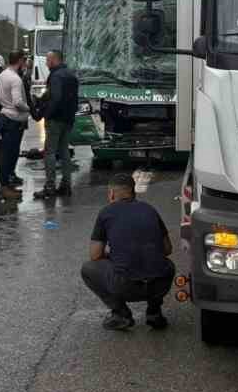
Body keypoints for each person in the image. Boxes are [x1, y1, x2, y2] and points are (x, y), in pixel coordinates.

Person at [80, 173, 175, 330]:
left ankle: (121, 314)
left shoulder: (106, 213)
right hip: (159, 284)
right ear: (134, 192)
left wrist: (114, 256)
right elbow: (167, 249)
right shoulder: (150, 210)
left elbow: (95, 255)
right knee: (167, 265)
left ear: (111, 193)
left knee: (89, 268)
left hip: (126, 286)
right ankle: (154, 312)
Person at [39, 49, 79, 198]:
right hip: (68, 119)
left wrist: (46, 114)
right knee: (64, 151)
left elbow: (55, 98)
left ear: (55, 60)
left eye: (48, 60)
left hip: (55, 119)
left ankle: (50, 186)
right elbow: (74, 98)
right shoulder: (71, 75)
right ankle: (66, 185)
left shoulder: (55, 76)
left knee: (49, 152)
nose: (46, 63)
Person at [0, 50, 31, 192]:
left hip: (4, 116)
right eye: (24, 60)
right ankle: (5, 182)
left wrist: (5, 103)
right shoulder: (15, 79)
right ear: (20, 61)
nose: (25, 63)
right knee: (10, 151)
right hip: (13, 119)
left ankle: (7, 178)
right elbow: (18, 102)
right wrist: (28, 109)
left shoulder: (2, 75)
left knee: (6, 150)